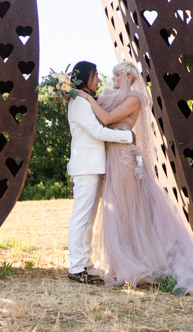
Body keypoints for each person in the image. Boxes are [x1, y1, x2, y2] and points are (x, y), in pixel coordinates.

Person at [76, 61, 193, 295]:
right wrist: (78, 97)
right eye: (112, 73)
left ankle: (130, 263)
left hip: (124, 159)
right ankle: (124, 261)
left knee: (127, 210)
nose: (111, 77)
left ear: (128, 76)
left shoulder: (134, 99)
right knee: (117, 212)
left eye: (117, 74)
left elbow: (104, 119)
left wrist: (84, 96)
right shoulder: (109, 97)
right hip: (113, 159)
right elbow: (95, 116)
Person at [66, 61, 135, 285]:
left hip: (93, 166)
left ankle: (85, 263)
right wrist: (127, 137)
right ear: (85, 77)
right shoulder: (78, 101)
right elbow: (97, 131)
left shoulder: (86, 100)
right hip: (85, 167)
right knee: (81, 216)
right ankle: (76, 267)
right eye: (95, 76)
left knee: (89, 218)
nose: (98, 79)